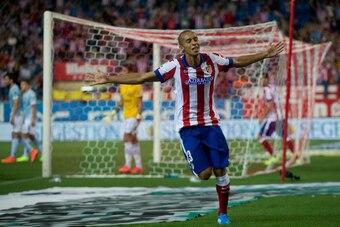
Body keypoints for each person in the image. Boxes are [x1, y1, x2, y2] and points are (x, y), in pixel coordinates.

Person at [86, 30, 284, 225]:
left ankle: (222, 214)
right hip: (187, 127)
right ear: (182, 47)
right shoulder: (174, 66)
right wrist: (109, 78)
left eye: (195, 39)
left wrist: (265, 54)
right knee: (205, 174)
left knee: (221, 170)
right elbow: (142, 78)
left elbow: (237, 61)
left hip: (211, 124)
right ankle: (192, 156)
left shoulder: (212, 60)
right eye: (189, 41)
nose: (194, 42)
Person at [104, 64, 144, 174]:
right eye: (122, 70)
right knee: (134, 140)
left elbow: (140, 102)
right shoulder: (122, 86)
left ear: (131, 72)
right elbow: (121, 102)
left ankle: (127, 165)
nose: (123, 73)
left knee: (126, 137)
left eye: (125, 70)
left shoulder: (137, 85)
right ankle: (139, 166)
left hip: (134, 116)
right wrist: (113, 113)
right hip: (126, 116)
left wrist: (138, 116)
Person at [258, 73, 297, 166]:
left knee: (260, 137)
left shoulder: (267, 89)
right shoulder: (272, 87)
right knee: (285, 137)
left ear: (266, 79)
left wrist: (262, 116)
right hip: (280, 116)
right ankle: (296, 156)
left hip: (273, 118)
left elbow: (271, 104)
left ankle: (274, 156)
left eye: (262, 79)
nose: (260, 81)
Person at [1, 72, 24, 163]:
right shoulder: (13, 88)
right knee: (16, 134)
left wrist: (13, 115)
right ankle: (31, 151)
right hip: (17, 113)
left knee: (15, 134)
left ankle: (12, 156)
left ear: (11, 80)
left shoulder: (14, 89)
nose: (5, 81)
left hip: (18, 114)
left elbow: (16, 102)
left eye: (6, 79)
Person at [19, 79, 41, 162]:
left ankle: (27, 155)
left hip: (30, 118)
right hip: (26, 118)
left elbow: (33, 107)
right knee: (32, 137)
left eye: (23, 85)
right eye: (21, 85)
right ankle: (41, 153)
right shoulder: (24, 94)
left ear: (28, 85)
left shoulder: (31, 94)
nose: (22, 87)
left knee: (24, 135)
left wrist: (33, 119)